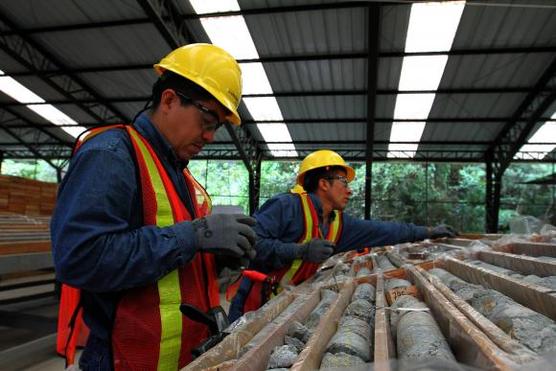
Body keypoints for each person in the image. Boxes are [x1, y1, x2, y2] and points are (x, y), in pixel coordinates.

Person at [51, 43, 257, 370]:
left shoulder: (176, 172)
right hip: (123, 360)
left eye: (216, 125)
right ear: (169, 99)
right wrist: (195, 235)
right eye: (207, 118)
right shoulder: (111, 156)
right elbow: (80, 259)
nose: (210, 135)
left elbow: (167, 263)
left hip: (179, 356)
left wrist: (215, 260)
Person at [228, 149, 456, 321]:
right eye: (344, 182)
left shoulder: (339, 224)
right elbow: (251, 243)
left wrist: (427, 232)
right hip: (254, 302)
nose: (350, 190)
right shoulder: (286, 206)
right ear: (324, 184)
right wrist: (300, 251)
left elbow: (384, 231)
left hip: (285, 305)